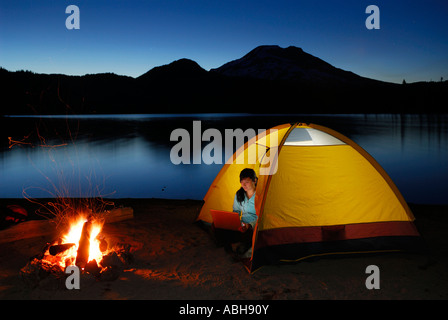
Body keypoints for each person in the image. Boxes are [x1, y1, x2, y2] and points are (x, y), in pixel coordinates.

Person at [213, 168, 258, 257]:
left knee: (248, 233)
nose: (243, 185)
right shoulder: (239, 194)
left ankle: (239, 245)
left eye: (247, 182)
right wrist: (233, 222)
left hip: (253, 226)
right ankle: (234, 245)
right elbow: (236, 212)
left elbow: (262, 216)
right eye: (241, 182)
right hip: (242, 225)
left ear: (254, 180)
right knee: (215, 225)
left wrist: (250, 225)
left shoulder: (260, 195)